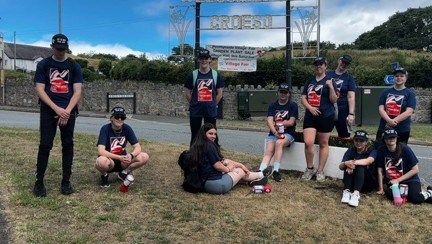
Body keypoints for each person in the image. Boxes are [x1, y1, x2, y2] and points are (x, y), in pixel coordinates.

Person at [32, 33, 84, 197]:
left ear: (66, 48)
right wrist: (56, 109)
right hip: (49, 109)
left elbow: (77, 92)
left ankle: (66, 182)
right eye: (58, 49)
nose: (60, 52)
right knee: (45, 145)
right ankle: (39, 182)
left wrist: (66, 111)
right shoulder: (44, 65)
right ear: (52, 47)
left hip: (68, 110)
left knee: (67, 145)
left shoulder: (74, 66)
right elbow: (40, 90)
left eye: (63, 49)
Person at [190, 123, 271, 194]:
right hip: (216, 185)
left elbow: (224, 161)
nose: (213, 136)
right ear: (204, 134)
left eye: (215, 134)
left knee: (234, 167)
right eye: (210, 133)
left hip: (203, 183)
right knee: (239, 171)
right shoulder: (209, 145)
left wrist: (240, 165)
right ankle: (260, 175)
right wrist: (229, 169)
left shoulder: (196, 146)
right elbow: (218, 166)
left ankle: (251, 181)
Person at [300, 57, 338, 181]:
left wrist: (331, 87)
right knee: (308, 142)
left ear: (326, 66)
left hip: (326, 116)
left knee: (323, 143)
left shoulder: (330, 81)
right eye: (316, 64)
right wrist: (310, 108)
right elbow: (303, 98)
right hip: (310, 116)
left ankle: (320, 171)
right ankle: (309, 169)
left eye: (321, 64)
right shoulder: (309, 81)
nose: (318, 66)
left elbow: (334, 100)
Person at [95, 106, 150, 187]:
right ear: (112, 118)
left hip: (123, 161)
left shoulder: (127, 128)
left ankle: (124, 173)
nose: (120, 119)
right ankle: (105, 175)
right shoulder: (105, 129)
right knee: (101, 161)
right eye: (117, 117)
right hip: (110, 161)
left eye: (122, 117)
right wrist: (119, 157)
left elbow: (138, 147)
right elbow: (101, 151)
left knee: (144, 156)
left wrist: (131, 155)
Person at [377, 129, 432, 205]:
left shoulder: (405, 149)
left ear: (397, 138)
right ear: (384, 139)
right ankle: (416, 193)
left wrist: (398, 180)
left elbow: (415, 169)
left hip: (410, 180)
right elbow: (380, 170)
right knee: (389, 194)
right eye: (388, 137)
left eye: (394, 137)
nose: (391, 139)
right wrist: (381, 189)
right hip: (394, 183)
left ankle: (430, 191)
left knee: (415, 199)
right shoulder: (381, 150)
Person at [258, 83, 298, 182]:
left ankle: (276, 171)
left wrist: (280, 123)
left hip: (288, 133)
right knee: (269, 150)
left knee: (279, 143)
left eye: (285, 92)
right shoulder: (273, 105)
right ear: (278, 93)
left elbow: (291, 122)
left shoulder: (293, 105)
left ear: (288, 94)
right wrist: (275, 131)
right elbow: (269, 120)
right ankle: (261, 170)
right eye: (281, 92)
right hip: (274, 132)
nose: (283, 94)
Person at [184, 48, 224, 146]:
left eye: (206, 58)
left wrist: (213, 104)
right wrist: (194, 103)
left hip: (210, 111)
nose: (204, 60)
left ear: (210, 59)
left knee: (211, 136)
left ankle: (212, 157)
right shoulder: (192, 75)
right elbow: (187, 92)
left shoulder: (216, 75)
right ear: (198, 60)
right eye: (201, 58)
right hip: (196, 111)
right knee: (195, 136)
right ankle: (193, 158)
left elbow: (220, 93)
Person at [376, 67, 416, 144]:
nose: (399, 78)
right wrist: (389, 121)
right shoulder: (386, 92)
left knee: (400, 152)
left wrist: (394, 121)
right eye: (397, 76)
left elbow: (409, 111)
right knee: (380, 150)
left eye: (401, 76)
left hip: (402, 129)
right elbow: (381, 109)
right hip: (384, 127)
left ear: (406, 78)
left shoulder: (410, 93)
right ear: (394, 78)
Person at [339, 130, 378, 207]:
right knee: (347, 164)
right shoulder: (351, 150)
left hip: (367, 183)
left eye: (362, 141)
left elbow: (369, 161)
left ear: (366, 142)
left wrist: (352, 163)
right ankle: (347, 191)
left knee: (360, 165)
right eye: (356, 140)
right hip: (352, 183)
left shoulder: (372, 150)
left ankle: (356, 194)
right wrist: (346, 163)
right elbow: (340, 166)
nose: (358, 143)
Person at [327, 54, 356, 138]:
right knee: (323, 134)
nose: (343, 65)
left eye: (346, 64)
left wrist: (351, 114)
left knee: (344, 136)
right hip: (329, 108)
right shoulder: (329, 75)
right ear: (339, 61)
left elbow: (351, 97)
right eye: (343, 62)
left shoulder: (349, 78)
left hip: (343, 109)